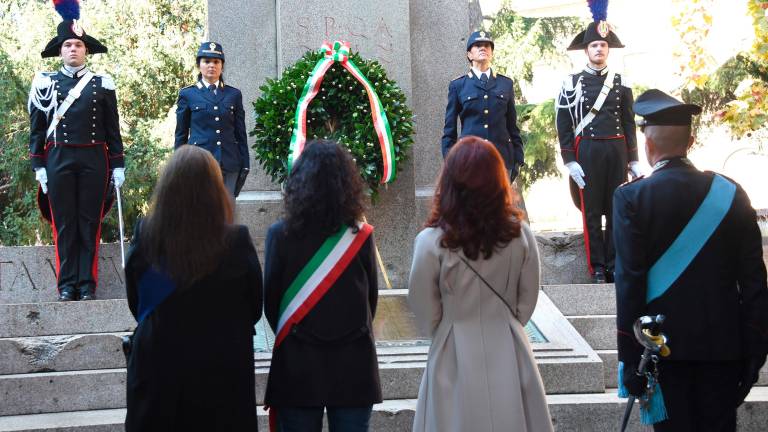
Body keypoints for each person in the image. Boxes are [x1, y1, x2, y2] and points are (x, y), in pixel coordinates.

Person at [614, 89, 768, 431]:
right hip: (725, 354)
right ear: (692, 140)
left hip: (661, 356)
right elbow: (755, 281)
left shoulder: (631, 198)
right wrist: (753, 354)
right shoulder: (731, 193)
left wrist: (629, 363)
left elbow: (629, 285)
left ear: (648, 146)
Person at [408, 135, 552, 432]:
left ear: (449, 183)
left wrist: (448, 324)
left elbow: (423, 309)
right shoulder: (521, 235)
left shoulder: (430, 242)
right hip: (509, 346)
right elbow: (526, 302)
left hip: (452, 348)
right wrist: (504, 321)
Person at [124, 145, 262, 431]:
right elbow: (254, 306)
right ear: (216, 189)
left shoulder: (146, 234)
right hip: (222, 369)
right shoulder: (236, 240)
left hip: (160, 368)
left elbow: (136, 302)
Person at [263, 140, 381, 432]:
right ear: (347, 184)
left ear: (299, 182)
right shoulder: (360, 236)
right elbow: (371, 301)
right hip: (353, 365)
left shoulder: (279, 235)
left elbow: (271, 304)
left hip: (298, 365)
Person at [29, 1, 125, 301]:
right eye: (68, 44)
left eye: (78, 45)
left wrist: (118, 164)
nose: (73, 49)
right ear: (60, 50)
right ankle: (67, 284)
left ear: (86, 50)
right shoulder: (45, 83)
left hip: (94, 159)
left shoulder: (102, 84)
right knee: (64, 223)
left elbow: (113, 129)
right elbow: (37, 129)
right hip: (58, 157)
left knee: (89, 221)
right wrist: (39, 166)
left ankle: (87, 284)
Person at [555, 18, 640, 283]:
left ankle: (615, 265)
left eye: (603, 45)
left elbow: (628, 122)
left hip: (616, 150)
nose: (599, 49)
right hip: (588, 150)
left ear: (608, 49)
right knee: (591, 211)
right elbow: (564, 124)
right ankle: (598, 267)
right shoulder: (571, 82)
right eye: (594, 45)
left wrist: (634, 159)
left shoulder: (621, 82)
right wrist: (570, 160)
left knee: (617, 210)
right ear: (586, 50)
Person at [441, 31, 525, 183]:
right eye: (477, 45)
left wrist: (518, 158)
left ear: (492, 53)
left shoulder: (505, 84)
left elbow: (512, 126)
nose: (483, 48)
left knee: (500, 207)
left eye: (487, 45)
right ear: (469, 54)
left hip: (502, 161)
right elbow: (449, 130)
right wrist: (450, 160)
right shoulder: (458, 85)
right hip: (469, 162)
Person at [174, 41, 249, 197]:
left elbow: (240, 133)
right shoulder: (188, 94)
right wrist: (178, 164)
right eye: (206, 61)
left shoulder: (233, 94)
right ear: (199, 65)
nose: (211, 65)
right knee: (201, 212)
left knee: (227, 213)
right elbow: (181, 134)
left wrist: (245, 163)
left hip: (229, 162)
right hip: (198, 163)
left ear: (222, 66)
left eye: (216, 61)